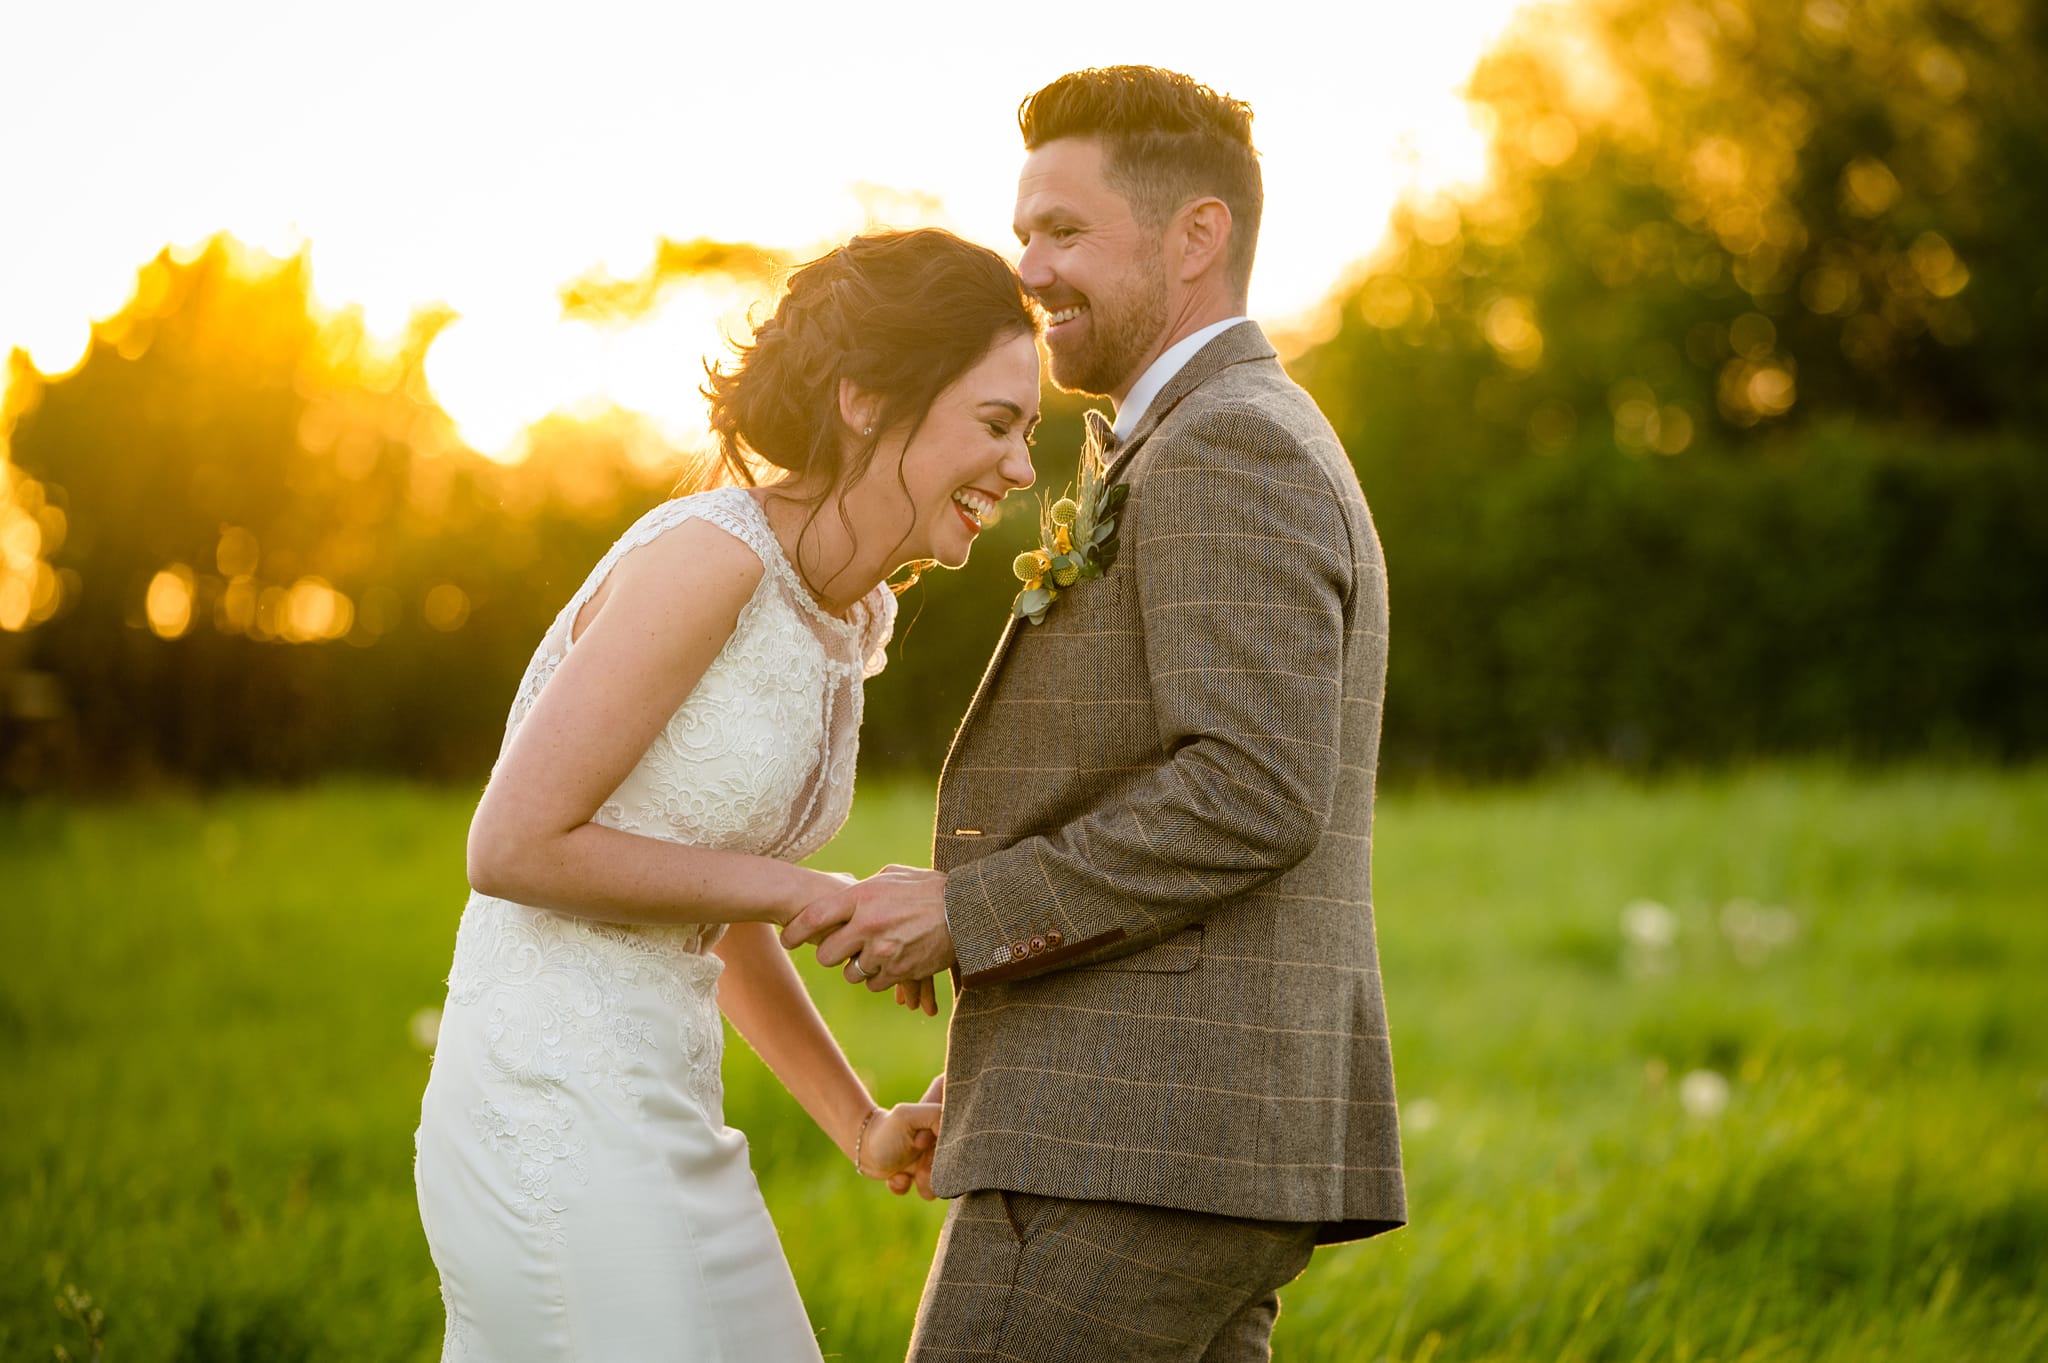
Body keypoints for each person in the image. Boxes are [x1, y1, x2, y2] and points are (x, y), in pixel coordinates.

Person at [782, 67, 1407, 1361]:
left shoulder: (1231, 444)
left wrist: (968, 910)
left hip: (1148, 1140)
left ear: (1195, 236)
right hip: (1161, 1125)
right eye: (1024, 232)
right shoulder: (1173, 436)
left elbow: (1253, 788)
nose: (1030, 268)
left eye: (1063, 231)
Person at [413, 228, 1042, 1361]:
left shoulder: (851, 618)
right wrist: (802, 890)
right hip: (548, 1103)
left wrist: (860, 1124)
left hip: (660, 1105)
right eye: (995, 424)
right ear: (864, 400)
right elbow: (508, 844)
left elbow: (704, 898)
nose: (1021, 470)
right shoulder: (714, 555)